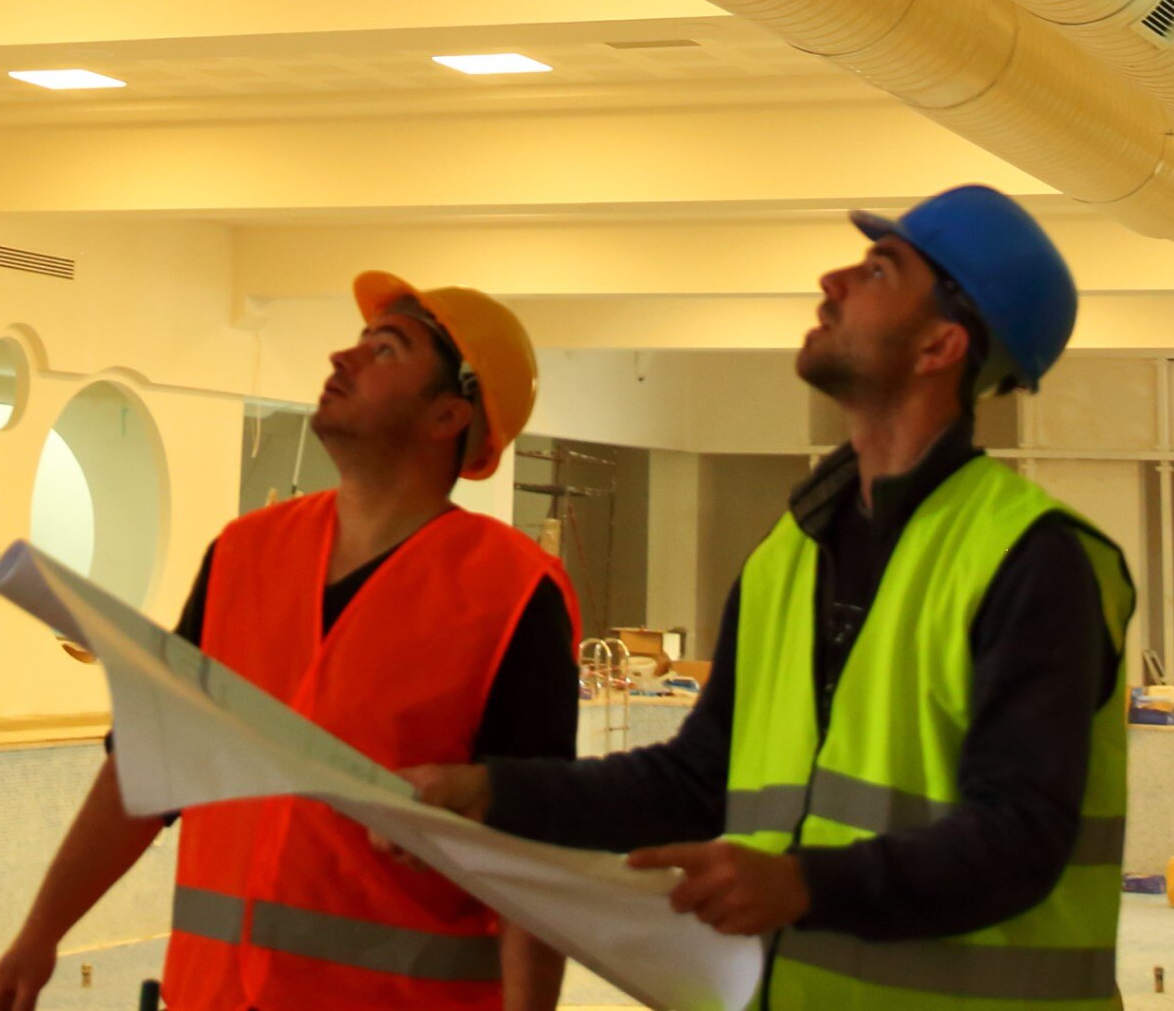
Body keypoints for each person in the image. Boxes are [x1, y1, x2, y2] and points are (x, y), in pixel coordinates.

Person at [407, 186, 1134, 1010]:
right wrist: (496, 793)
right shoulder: (791, 551)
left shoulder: (1034, 558)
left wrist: (800, 883)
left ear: (940, 342)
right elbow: (694, 778)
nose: (831, 279)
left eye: (876, 268)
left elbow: (1019, 838)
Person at [0, 274, 577, 1011]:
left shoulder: (513, 591)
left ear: (447, 412)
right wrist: (38, 934)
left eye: (383, 349)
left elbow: (534, 851)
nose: (342, 358)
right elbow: (147, 762)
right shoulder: (244, 554)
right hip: (213, 997)